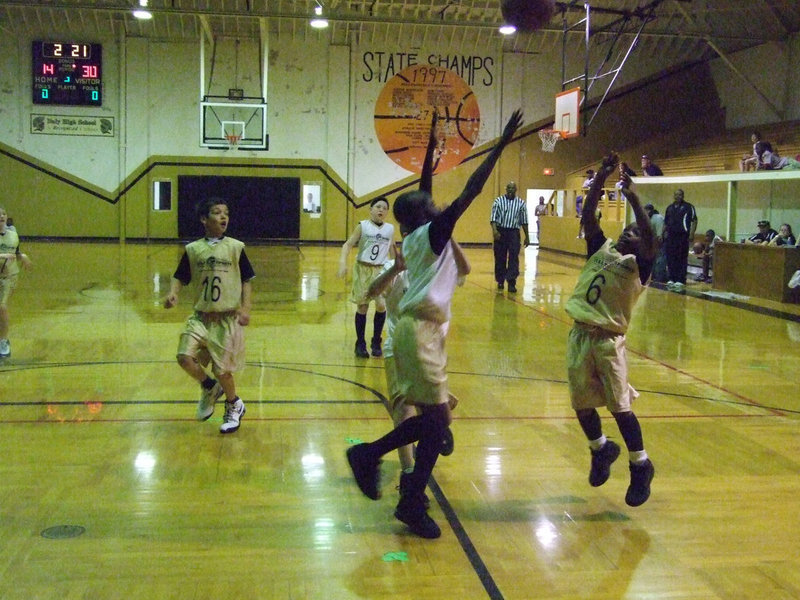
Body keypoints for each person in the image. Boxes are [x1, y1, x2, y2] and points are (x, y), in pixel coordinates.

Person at [346, 109, 523, 539]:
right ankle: (369, 455)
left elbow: (426, 188)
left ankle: (409, 497)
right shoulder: (434, 232)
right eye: (433, 205)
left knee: (434, 425)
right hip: (419, 330)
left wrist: (429, 146)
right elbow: (471, 190)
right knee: (437, 423)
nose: (439, 203)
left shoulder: (417, 233)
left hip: (421, 329)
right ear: (425, 215)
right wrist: (500, 145)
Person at [565, 154, 656, 508]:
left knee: (620, 408)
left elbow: (649, 236)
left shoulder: (639, 267)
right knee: (581, 405)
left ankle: (641, 465)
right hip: (579, 334)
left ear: (641, 245)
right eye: (626, 229)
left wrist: (632, 196)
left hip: (608, 340)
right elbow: (588, 215)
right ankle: (601, 450)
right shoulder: (600, 248)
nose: (626, 233)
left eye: (632, 232)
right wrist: (601, 177)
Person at [164, 197, 255, 434]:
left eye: (226, 212)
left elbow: (247, 280)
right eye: (217, 212)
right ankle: (209, 387)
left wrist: (245, 308)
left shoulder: (236, 247)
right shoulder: (193, 249)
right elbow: (179, 276)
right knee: (184, 356)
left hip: (226, 319)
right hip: (200, 317)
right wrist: (173, 293)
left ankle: (234, 404)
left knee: (222, 371)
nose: (223, 217)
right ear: (204, 219)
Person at [338, 197, 396, 357]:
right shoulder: (362, 226)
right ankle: (360, 343)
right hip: (363, 269)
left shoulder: (390, 229)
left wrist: (395, 269)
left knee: (381, 305)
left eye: (384, 208)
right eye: (378, 207)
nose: (381, 210)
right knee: (362, 307)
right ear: (370, 209)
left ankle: (376, 341)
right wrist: (343, 262)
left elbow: (392, 250)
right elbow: (347, 244)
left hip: (381, 270)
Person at [0, 206, 32, 359]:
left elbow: (15, 252)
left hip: (8, 276)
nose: (1, 216)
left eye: (3, 214)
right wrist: (3, 254)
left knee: (2, 306)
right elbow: (7, 254)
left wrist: (22, 255)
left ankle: (4, 341)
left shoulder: (12, 235)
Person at [490, 181, 530, 293]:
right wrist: (495, 231)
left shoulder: (521, 203)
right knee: (500, 257)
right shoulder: (498, 201)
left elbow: (524, 221)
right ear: (506, 189)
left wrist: (527, 236)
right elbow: (493, 218)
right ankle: (500, 280)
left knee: (513, 257)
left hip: (514, 232)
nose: (511, 190)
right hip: (501, 231)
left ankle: (511, 282)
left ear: (516, 189)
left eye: (513, 188)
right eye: (509, 188)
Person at [663, 188, 697, 290]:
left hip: (682, 236)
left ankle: (681, 279)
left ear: (683, 196)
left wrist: (691, 233)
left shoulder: (689, 207)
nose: (678, 196)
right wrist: (662, 233)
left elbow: (694, 221)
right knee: (671, 257)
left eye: (680, 194)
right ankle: (671, 278)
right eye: (676, 195)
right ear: (674, 196)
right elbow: (666, 222)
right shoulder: (669, 208)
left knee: (681, 258)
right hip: (671, 236)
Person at [643, 203, 667, 283]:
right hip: (652, 242)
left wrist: (658, 240)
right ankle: (653, 276)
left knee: (660, 259)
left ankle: (660, 277)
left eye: (645, 210)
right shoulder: (648, 218)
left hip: (660, 242)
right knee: (653, 260)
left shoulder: (658, 218)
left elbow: (659, 233)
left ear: (649, 210)